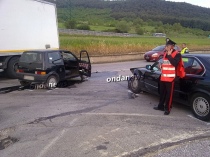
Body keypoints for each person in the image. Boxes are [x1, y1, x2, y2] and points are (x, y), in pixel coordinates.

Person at [153, 38, 181, 115]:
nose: (165, 47)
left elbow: (174, 63)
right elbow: (165, 63)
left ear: (172, 47)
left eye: (167, 46)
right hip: (163, 77)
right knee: (162, 93)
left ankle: (167, 108)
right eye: (166, 46)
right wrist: (160, 65)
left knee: (169, 94)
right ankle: (160, 106)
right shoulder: (165, 53)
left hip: (170, 78)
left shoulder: (177, 54)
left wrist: (169, 56)